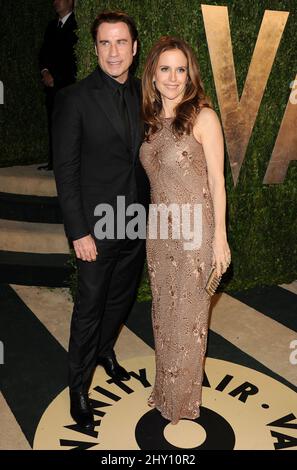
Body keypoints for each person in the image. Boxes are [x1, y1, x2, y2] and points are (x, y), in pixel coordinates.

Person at [52, 11, 149, 430]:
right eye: (105, 43)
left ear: (133, 48)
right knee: (89, 308)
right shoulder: (74, 98)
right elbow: (66, 171)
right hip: (96, 226)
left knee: (122, 296)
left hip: (136, 222)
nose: (114, 52)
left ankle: (106, 349)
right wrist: (79, 231)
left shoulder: (147, 95)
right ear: (95, 49)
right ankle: (78, 386)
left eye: (121, 42)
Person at [140, 36, 231, 424]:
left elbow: (217, 182)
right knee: (164, 314)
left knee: (190, 320)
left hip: (197, 234)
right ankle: (165, 388)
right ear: (153, 76)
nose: (173, 77)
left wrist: (220, 239)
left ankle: (182, 402)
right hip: (158, 233)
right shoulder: (148, 122)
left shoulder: (204, 117)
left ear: (190, 74)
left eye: (181, 69)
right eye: (165, 69)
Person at [39, 0, 77, 171]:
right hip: (51, 87)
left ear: (71, 2)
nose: (56, 2)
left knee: (69, 126)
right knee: (53, 123)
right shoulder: (51, 26)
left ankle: (68, 164)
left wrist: (58, 79)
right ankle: (53, 162)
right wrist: (45, 72)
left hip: (69, 86)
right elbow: (43, 53)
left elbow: (73, 59)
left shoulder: (77, 24)